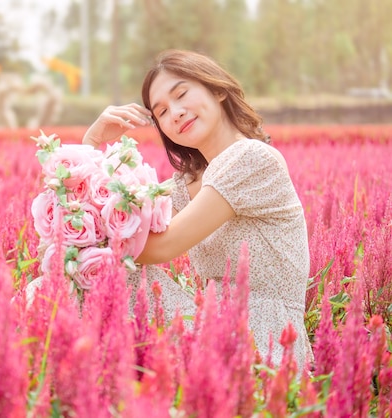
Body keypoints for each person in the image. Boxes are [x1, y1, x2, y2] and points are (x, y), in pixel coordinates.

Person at [82, 49, 313, 369]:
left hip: (263, 341)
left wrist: (100, 240)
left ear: (217, 89)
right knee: (91, 272)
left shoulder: (251, 158)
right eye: (161, 111)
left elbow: (160, 246)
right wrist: (91, 143)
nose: (174, 113)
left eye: (181, 94)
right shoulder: (185, 184)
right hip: (211, 328)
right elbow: (91, 223)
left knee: (103, 273)